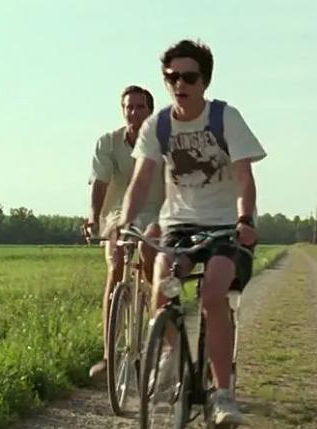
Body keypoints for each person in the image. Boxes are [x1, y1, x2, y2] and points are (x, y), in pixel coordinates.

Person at [118, 40, 267, 425]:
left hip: (225, 226)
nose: (179, 84)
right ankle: (170, 352)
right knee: (161, 280)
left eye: (188, 77)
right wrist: (125, 222)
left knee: (214, 293)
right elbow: (141, 179)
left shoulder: (225, 118)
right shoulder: (158, 125)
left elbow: (244, 177)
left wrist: (245, 220)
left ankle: (223, 394)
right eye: (171, 78)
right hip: (179, 224)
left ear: (204, 80)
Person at [86, 85, 164, 377]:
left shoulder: (163, 142)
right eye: (128, 107)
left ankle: (157, 330)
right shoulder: (108, 142)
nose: (133, 113)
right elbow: (100, 183)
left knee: (150, 257)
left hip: (155, 212)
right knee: (116, 264)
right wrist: (93, 218)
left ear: (150, 111)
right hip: (119, 214)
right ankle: (109, 356)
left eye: (139, 107)